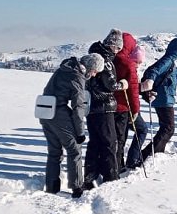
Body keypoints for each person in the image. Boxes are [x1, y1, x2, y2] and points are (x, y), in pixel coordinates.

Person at [41, 55, 96, 198]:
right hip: (59, 112)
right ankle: (77, 188)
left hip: (45, 111)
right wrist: (80, 132)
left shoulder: (64, 68)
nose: (95, 74)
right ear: (90, 68)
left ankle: (51, 186)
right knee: (74, 150)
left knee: (54, 151)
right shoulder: (77, 76)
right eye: (95, 71)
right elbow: (78, 107)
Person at [84, 30, 129, 188]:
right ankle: (110, 178)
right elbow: (110, 84)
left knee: (94, 142)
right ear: (112, 46)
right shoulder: (106, 61)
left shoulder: (92, 56)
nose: (118, 52)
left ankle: (89, 177)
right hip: (104, 106)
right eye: (117, 49)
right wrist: (122, 85)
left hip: (91, 106)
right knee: (110, 142)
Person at [139, 37, 177, 161]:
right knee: (168, 128)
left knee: (166, 128)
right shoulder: (168, 60)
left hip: (165, 98)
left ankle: (154, 152)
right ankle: (149, 154)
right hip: (163, 99)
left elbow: (176, 77)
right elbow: (154, 71)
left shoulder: (171, 62)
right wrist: (149, 81)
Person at [113, 31, 144, 170]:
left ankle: (118, 164)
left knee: (117, 138)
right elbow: (132, 90)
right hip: (124, 106)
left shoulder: (112, 59)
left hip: (110, 105)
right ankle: (122, 164)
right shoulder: (127, 63)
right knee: (123, 137)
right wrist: (135, 110)